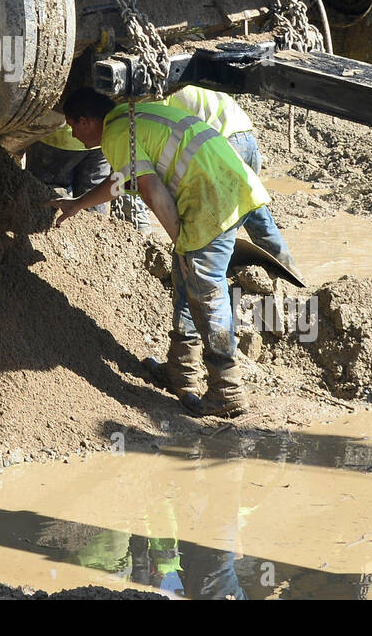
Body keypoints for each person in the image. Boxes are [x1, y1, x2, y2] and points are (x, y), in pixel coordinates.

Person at [51, 87, 271, 417]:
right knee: (187, 277)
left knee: (205, 291)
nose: (71, 134)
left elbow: (152, 193)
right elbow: (122, 181)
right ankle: (181, 372)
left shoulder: (117, 134)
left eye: (72, 125)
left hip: (210, 197)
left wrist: (180, 240)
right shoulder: (129, 120)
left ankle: (227, 390)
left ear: (86, 121)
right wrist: (79, 204)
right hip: (225, 183)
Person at [171, 84, 296, 272]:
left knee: (208, 229)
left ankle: (197, 285)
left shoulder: (161, 95)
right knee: (249, 205)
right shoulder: (194, 79)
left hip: (222, 145)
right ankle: (286, 270)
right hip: (247, 139)